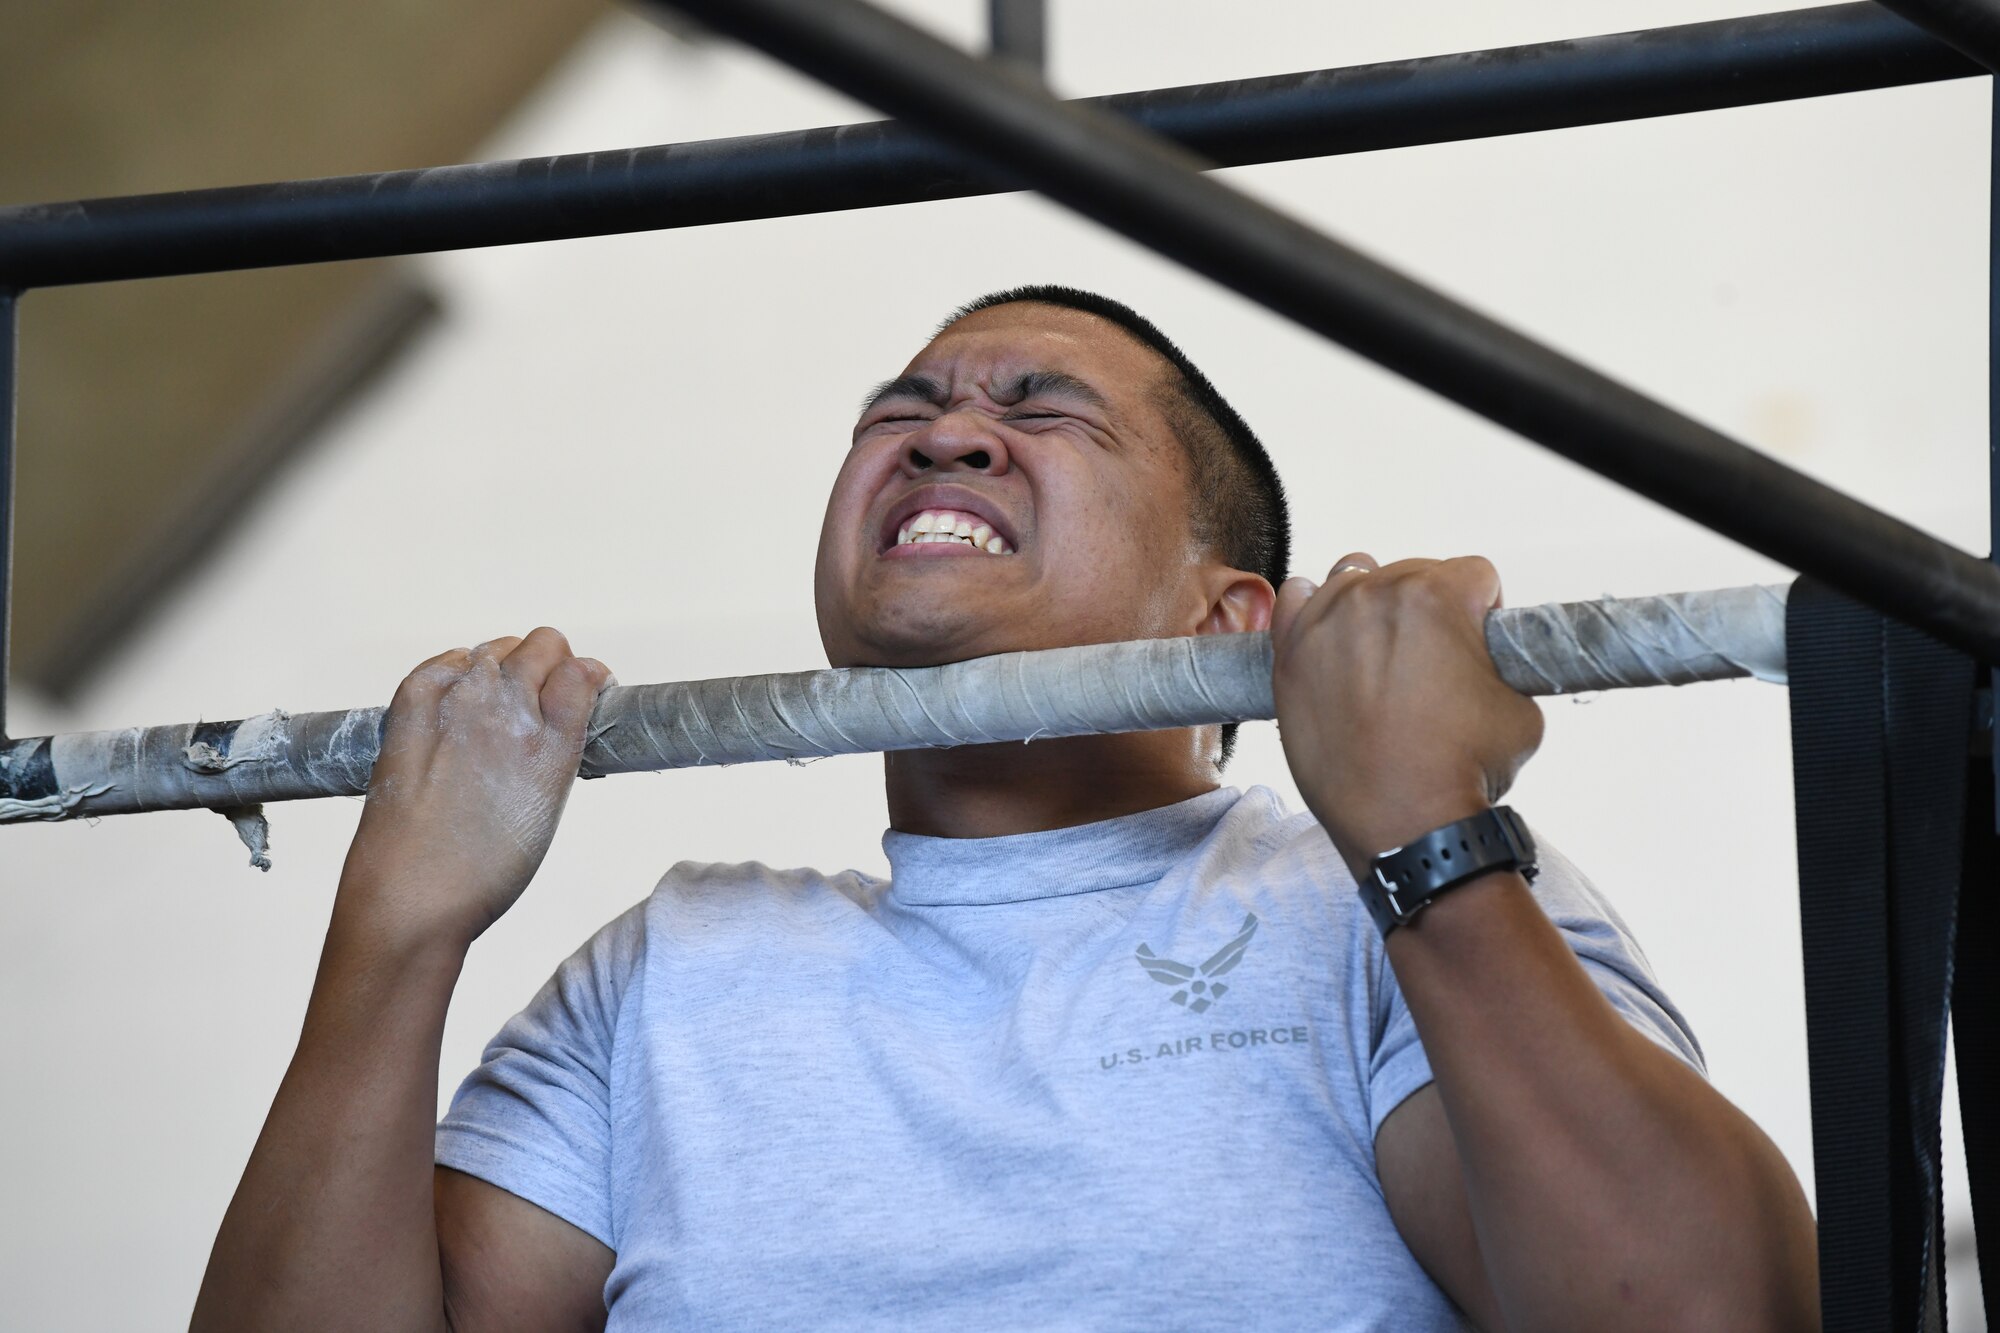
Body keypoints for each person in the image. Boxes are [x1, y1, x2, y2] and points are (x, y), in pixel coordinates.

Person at [191, 287, 1818, 1331]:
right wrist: (392, 931)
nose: (944, 431)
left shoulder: (1360, 901)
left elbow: (1701, 1311)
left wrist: (1418, 828)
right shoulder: (671, 966)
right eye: (899, 413)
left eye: (1044, 411)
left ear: (1226, 623)